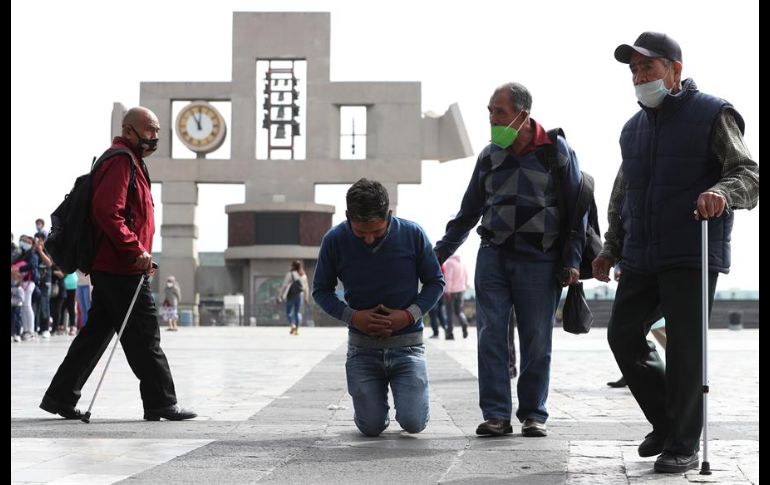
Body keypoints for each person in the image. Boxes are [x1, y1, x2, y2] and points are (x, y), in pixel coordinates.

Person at [593, 32, 759, 474]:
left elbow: (748, 173)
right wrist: (610, 248)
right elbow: (622, 195)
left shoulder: (713, 114)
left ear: (675, 70)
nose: (639, 77)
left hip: (691, 247)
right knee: (622, 334)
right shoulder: (633, 128)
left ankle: (683, 443)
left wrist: (722, 193)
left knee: (685, 348)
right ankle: (667, 423)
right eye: (633, 70)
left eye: (647, 67)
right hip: (642, 252)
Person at [434, 82, 587, 438]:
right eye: (489, 111)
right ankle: (496, 415)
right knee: (491, 337)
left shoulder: (556, 151)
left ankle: (533, 413)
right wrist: (437, 255)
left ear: (522, 116)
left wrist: (573, 261)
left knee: (536, 339)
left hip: (540, 261)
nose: (491, 119)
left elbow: (576, 212)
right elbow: (468, 211)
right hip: (494, 256)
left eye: (498, 112)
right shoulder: (490, 155)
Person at [40, 107, 196, 422]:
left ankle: (60, 396)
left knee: (96, 334)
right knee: (145, 333)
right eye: (149, 130)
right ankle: (161, 402)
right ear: (128, 130)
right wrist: (135, 249)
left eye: (157, 132)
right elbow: (107, 212)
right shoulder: (121, 161)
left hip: (118, 266)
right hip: (120, 267)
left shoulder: (130, 162)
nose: (154, 137)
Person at [313, 178, 444, 437]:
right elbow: (321, 291)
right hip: (363, 350)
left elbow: (435, 282)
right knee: (370, 427)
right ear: (348, 216)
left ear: (390, 215)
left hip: (408, 348)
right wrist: (353, 317)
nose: (370, 239)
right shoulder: (334, 240)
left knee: (414, 423)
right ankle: (370, 409)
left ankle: (409, 404)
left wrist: (408, 316)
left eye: (377, 231)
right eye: (361, 233)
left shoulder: (413, 234)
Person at [606, 266, 665, 388]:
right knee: (633, 338)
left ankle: (682, 375)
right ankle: (629, 374)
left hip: (656, 278)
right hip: (639, 273)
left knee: (668, 340)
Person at [278, 260, 309, 335]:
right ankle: (296, 330)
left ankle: (292, 325)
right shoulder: (304, 275)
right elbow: (306, 288)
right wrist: (306, 298)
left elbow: (284, 285)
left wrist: (280, 295)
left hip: (291, 295)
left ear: (293, 266)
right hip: (299, 296)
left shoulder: (290, 274)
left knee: (288, 312)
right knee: (296, 312)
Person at [443, 254, 469, 339]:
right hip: (461, 290)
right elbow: (466, 276)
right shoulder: (462, 263)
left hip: (451, 291)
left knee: (449, 312)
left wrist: (447, 291)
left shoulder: (450, 262)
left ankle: (449, 334)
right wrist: (464, 287)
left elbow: (448, 278)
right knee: (459, 311)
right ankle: (464, 322)